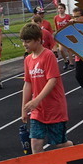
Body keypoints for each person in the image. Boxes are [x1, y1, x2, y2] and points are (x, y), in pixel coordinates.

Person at [19, 23, 73, 154]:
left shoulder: (48, 56)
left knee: (59, 143)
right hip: (38, 110)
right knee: (35, 142)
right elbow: (28, 83)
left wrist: (36, 100)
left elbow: (52, 80)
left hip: (54, 107)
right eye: (23, 41)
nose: (25, 44)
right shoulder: (28, 60)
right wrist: (24, 107)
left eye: (28, 41)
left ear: (38, 40)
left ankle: (73, 147)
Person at [54, 3, 74, 70]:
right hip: (61, 36)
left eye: (61, 8)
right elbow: (56, 27)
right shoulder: (56, 17)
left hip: (68, 35)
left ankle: (71, 63)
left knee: (69, 49)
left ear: (64, 9)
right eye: (59, 8)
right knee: (61, 50)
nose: (60, 10)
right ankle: (66, 61)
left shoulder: (68, 17)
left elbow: (71, 25)